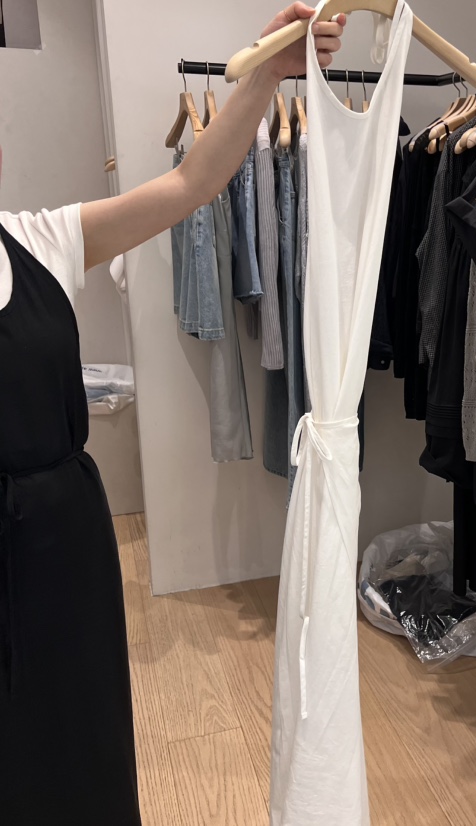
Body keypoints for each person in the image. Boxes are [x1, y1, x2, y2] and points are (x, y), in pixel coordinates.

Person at [0, 5, 345, 825]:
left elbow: (192, 184)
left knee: (78, 736)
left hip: (62, 544)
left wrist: (264, 78)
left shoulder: (37, 239)